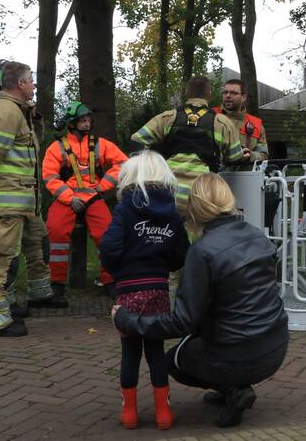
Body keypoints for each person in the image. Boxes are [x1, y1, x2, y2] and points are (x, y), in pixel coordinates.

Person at [113, 172, 289, 429]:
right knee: (214, 335)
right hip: (275, 347)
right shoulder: (258, 237)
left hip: (234, 353)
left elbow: (181, 322)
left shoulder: (202, 251)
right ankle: (233, 387)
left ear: (195, 207)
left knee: (172, 362)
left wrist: (128, 319)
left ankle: (233, 389)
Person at [0, 60, 67, 337]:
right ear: (20, 84)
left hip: (18, 201)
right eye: (30, 80)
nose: (34, 84)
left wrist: (35, 120)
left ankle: (10, 307)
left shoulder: (16, 111)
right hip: (4, 202)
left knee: (22, 250)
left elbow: (21, 151)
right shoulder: (8, 111)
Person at [100, 151, 189, 430]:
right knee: (155, 349)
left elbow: (109, 248)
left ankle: (129, 413)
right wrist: (165, 264)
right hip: (158, 289)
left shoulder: (125, 209)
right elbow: (181, 253)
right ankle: (163, 413)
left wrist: (118, 271)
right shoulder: (172, 213)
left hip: (128, 289)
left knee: (130, 351)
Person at [42, 101, 128, 299]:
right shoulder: (56, 148)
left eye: (89, 120)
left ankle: (111, 280)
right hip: (67, 198)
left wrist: (102, 186)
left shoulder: (100, 144)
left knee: (107, 233)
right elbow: (50, 177)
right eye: (83, 120)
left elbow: (123, 163)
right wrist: (70, 198)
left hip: (93, 197)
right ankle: (56, 283)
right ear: (72, 123)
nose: (87, 123)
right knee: (56, 230)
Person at [130, 76, 245, 214]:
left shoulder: (168, 117)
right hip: (201, 195)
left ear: (186, 93)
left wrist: (151, 167)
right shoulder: (222, 123)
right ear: (209, 94)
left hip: (167, 191)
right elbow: (234, 157)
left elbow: (136, 141)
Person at [212, 78, 268, 162]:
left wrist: (250, 155)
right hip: (214, 169)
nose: (228, 96)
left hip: (243, 170)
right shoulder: (210, 116)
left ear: (243, 97)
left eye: (233, 93)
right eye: (225, 92)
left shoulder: (256, 124)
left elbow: (263, 155)